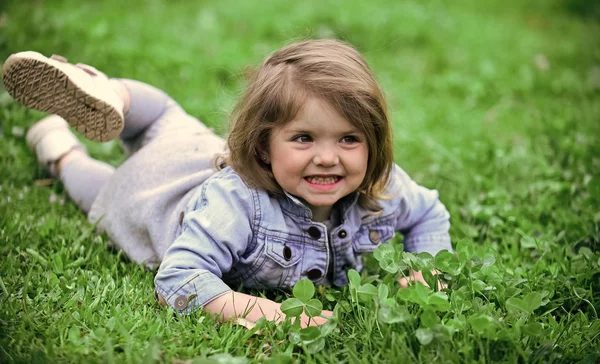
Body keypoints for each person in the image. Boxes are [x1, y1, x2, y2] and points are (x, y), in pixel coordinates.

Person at [1, 40, 452, 327]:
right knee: (99, 188)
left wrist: (428, 268)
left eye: (349, 138)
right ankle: (86, 120)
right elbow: (178, 279)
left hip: (197, 146)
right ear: (262, 145)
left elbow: (429, 213)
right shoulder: (238, 204)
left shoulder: (380, 187)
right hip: (152, 190)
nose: (328, 157)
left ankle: (56, 131)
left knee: (164, 117)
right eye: (304, 138)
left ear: (373, 143)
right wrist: (270, 313)